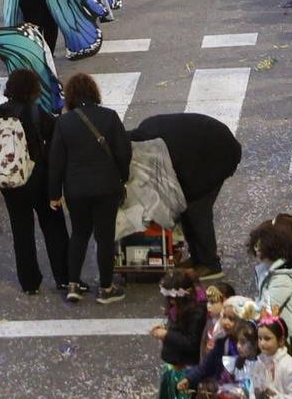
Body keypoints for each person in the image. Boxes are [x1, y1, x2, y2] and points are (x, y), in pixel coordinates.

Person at [46, 71, 131, 303]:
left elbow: (56, 162)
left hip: (76, 190)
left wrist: (54, 193)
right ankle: (105, 288)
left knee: (80, 234)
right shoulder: (110, 117)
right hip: (107, 187)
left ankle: (73, 284)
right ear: (94, 92)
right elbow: (124, 153)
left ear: (71, 96)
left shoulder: (63, 123)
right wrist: (122, 178)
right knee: (105, 237)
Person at [127, 111, 240, 279]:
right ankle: (198, 258)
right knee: (186, 206)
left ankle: (210, 264)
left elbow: (166, 185)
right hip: (202, 151)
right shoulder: (147, 130)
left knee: (196, 208)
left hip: (217, 153)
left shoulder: (153, 147)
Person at [0, 68, 68, 297]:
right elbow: (55, 137)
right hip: (36, 177)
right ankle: (63, 276)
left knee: (21, 231)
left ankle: (29, 282)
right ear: (32, 90)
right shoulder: (35, 113)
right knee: (53, 225)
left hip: (9, 181)